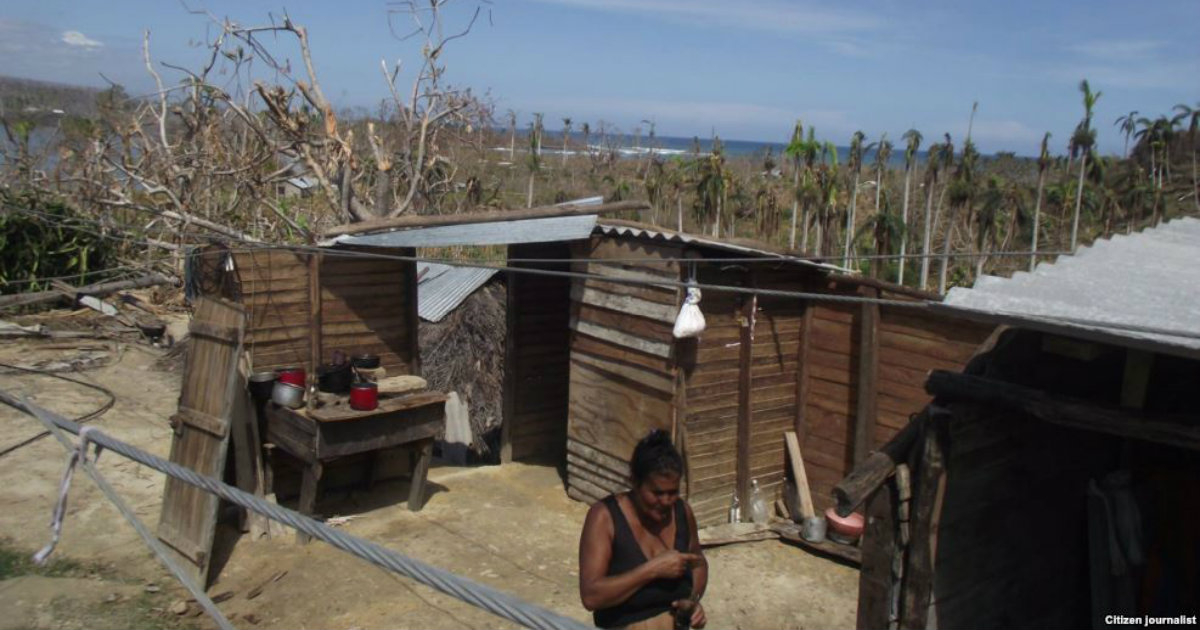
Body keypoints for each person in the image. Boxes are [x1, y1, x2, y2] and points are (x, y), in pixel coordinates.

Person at [578, 430, 708, 629]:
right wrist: (653, 569)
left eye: (672, 492)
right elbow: (591, 596)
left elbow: (697, 560)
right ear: (635, 483)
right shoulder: (605, 517)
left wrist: (692, 600)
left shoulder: (682, 512)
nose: (666, 501)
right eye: (657, 493)